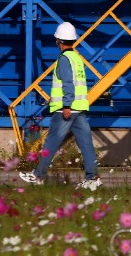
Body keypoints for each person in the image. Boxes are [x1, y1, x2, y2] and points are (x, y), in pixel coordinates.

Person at [20, 22, 101, 190]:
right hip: (79, 108)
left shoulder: (63, 59)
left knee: (51, 142)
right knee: (86, 144)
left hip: (67, 109)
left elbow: (68, 84)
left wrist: (65, 105)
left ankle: (38, 175)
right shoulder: (77, 58)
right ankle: (92, 178)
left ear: (58, 40)